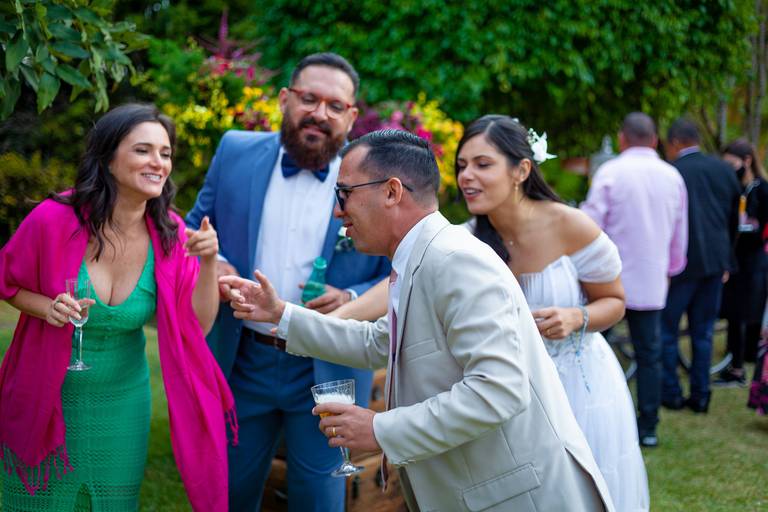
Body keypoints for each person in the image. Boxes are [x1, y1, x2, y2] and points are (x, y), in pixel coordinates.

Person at [222, 130, 615, 511]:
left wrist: (379, 429)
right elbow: (378, 342)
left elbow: (498, 390)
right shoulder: (418, 256)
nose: (338, 211)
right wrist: (281, 315)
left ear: (391, 192)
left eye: (344, 193)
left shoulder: (456, 261)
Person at [0, 103, 235, 511]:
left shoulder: (172, 235)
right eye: (143, 150)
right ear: (108, 158)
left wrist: (210, 261)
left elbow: (197, 325)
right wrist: (46, 308)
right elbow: (7, 281)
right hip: (49, 397)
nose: (158, 162)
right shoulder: (52, 219)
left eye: (165, 153)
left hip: (123, 405)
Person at [185, 52, 390, 511]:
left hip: (328, 362)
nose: (320, 113)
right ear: (284, 99)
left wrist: (351, 295)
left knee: (320, 498)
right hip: (243, 357)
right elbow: (194, 226)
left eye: (335, 106)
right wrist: (218, 265)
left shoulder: (375, 178)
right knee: (229, 490)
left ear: (351, 116)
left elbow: (397, 268)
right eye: (309, 99)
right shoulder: (235, 152)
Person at [457, 115, 648, 510]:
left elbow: (615, 301)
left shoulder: (569, 224)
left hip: (580, 388)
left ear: (521, 170)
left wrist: (577, 317)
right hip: (509, 390)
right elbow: (403, 276)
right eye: (461, 166)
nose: (466, 176)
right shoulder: (468, 239)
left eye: (482, 164)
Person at [582, 112, 688, 448]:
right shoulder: (672, 176)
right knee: (649, 354)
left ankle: (591, 414)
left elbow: (589, 227)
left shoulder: (610, 172)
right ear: (655, 140)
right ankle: (648, 426)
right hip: (650, 278)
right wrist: (671, 268)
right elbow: (679, 232)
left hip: (606, 279)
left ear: (622, 138)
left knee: (593, 348)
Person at [661, 118, 741, 413]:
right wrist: (726, 257)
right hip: (715, 262)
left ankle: (671, 393)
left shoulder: (671, 172)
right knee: (704, 332)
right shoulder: (723, 170)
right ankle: (701, 395)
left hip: (681, 264)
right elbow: (734, 219)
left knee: (668, 330)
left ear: (675, 142)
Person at [715, 139, 768, 386]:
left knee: (746, 312)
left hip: (754, 261)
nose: (729, 169)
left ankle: (740, 367)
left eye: (731, 164)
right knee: (734, 314)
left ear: (747, 161)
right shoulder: (732, 188)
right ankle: (735, 362)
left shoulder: (762, 189)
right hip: (733, 259)